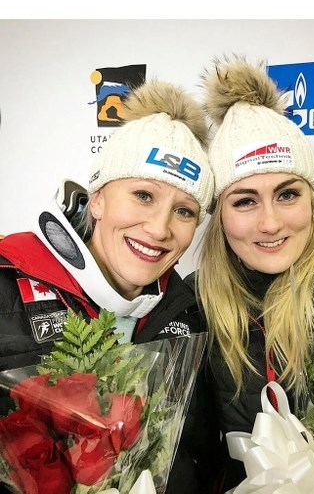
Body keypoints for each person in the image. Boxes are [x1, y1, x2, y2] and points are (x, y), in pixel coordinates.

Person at [0, 79, 217, 493]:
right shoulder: (7, 283)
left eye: (184, 211)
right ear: (97, 199)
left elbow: (196, 457)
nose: (158, 229)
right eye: (143, 195)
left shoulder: (189, 312)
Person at [186, 56, 314, 492]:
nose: (271, 223)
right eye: (244, 200)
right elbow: (188, 459)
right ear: (219, 214)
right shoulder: (193, 305)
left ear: (312, 198)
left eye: (287, 194)